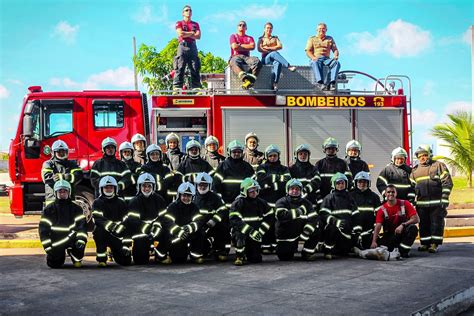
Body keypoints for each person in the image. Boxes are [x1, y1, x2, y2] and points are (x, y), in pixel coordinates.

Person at [410, 145, 453, 253]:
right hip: (421, 204)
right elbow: (411, 188)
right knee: (423, 224)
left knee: (436, 223)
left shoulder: (439, 166)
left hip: (437, 203)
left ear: (430, 155)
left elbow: (447, 182)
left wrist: (444, 198)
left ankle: (434, 244)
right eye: (420, 156)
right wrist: (411, 202)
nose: (422, 158)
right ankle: (425, 244)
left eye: (425, 155)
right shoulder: (415, 171)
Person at [38, 180, 87, 268]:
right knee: (54, 264)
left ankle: (75, 256)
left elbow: (82, 226)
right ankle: (56, 256)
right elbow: (43, 230)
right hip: (57, 241)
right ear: (55, 193)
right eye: (60, 191)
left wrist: (81, 240)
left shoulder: (76, 208)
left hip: (72, 238)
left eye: (65, 191)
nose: (62, 193)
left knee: (79, 251)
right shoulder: (49, 210)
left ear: (69, 192)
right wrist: (48, 247)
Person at [124, 173, 169, 264]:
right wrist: (148, 229)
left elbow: (163, 217)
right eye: (144, 186)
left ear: (153, 187)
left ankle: (160, 255)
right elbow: (133, 222)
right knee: (140, 261)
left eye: (149, 186)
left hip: (156, 230)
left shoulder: (159, 200)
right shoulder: (134, 201)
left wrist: (156, 227)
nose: (147, 188)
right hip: (141, 233)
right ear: (139, 187)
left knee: (169, 233)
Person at [157, 182, 206, 264]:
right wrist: (178, 231)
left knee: (200, 232)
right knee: (179, 259)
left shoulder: (194, 207)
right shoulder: (173, 206)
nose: (186, 198)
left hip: (187, 233)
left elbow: (199, 220)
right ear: (179, 195)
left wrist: (189, 228)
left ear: (192, 196)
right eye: (184, 195)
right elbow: (167, 222)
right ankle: (161, 256)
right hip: (175, 234)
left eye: (188, 196)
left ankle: (195, 256)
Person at [229, 178, 274, 266]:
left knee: (255, 259)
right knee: (240, 236)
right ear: (244, 191)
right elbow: (234, 219)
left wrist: (261, 231)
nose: (254, 193)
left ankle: (249, 252)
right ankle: (239, 256)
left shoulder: (261, 202)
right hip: (242, 231)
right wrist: (250, 231)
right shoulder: (238, 202)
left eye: (256, 190)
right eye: (251, 190)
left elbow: (270, 215)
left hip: (256, 232)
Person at [256, 144, 291, 253]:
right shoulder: (261, 167)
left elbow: (286, 181)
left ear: (278, 156)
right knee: (266, 223)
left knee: (278, 224)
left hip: (279, 201)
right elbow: (261, 179)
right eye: (270, 156)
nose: (272, 158)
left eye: (274, 156)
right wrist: (278, 180)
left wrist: (271, 185)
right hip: (265, 201)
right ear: (267, 156)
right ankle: (266, 246)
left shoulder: (284, 168)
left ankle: (275, 245)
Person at [275, 179, 321, 261]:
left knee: (316, 228)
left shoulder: (306, 203)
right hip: (287, 234)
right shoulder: (281, 201)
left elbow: (314, 218)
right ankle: (290, 248)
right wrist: (299, 211)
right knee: (285, 257)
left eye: (297, 189)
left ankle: (307, 253)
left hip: (302, 232)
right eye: (292, 189)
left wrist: (307, 231)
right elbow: (281, 216)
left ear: (301, 191)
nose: (294, 191)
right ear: (287, 190)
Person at [91, 176, 132, 267]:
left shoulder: (121, 202)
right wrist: (111, 226)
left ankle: (114, 252)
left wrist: (126, 245)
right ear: (101, 189)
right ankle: (102, 259)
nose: (109, 189)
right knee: (98, 231)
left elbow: (127, 220)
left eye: (111, 187)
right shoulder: (97, 202)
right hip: (104, 234)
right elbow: (97, 218)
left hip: (118, 234)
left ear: (115, 188)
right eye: (106, 187)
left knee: (125, 262)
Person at [371, 184, 419, 258]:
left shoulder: (405, 203)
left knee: (413, 228)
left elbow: (416, 219)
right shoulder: (382, 209)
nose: (391, 194)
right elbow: (378, 226)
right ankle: (394, 249)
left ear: (396, 193)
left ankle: (403, 251)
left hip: (403, 233)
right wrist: (374, 241)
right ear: (385, 194)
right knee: (379, 247)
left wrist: (403, 225)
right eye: (389, 192)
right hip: (391, 236)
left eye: (393, 192)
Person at [319, 173, 361, 259]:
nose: (341, 185)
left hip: (347, 233)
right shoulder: (329, 198)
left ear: (346, 184)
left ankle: (345, 248)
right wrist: (336, 222)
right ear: (334, 184)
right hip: (334, 232)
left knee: (344, 251)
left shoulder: (350, 198)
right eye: (338, 183)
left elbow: (356, 216)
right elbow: (324, 214)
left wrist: (357, 233)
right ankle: (327, 251)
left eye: (342, 183)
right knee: (331, 228)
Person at [194, 172, 230, 261]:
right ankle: (202, 250)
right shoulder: (192, 197)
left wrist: (214, 220)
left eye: (205, 185)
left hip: (213, 224)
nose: (202, 187)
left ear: (209, 186)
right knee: (199, 240)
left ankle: (221, 251)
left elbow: (223, 211)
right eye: (200, 185)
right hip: (198, 225)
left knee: (223, 228)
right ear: (196, 185)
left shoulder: (215, 197)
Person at [213, 140, 255, 207]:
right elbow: (216, 184)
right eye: (234, 152)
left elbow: (253, 185)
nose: (237, 154)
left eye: (239, 152)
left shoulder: (247, 167)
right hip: (226, 204)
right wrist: (219, 200)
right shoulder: (223, 166)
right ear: (229, 152)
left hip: (243, 204)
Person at [41, 140, 83, 205]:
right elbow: (46, 178)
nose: (62, 154)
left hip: (69, 198)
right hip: (52, 200)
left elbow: (79, 175)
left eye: (64, 152)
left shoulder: (72, 163)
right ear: (53, 153)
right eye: (59, 152)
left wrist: (69, 177)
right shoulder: (48, 163)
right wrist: (64, 177)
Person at [257, 22, 296, 91]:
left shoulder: (275, 38)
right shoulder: (261, 39)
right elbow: (259, 49)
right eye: (267, 28)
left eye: (270, 28)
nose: (269, 29)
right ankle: (289, 66)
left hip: (274, 59)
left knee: (278, 63)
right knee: (274, 53)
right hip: (265, 59)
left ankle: (275, 83)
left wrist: (268, 48)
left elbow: (280, 46)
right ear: (264, 29)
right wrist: (273, 49)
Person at [172, 5, 202, 95]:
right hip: (182, 46)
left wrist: (187, 34)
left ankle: (196, 88)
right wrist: (192, 33)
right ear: (183, 13)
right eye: (186, 10)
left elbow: (199, 36)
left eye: (190, 10)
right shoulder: (179, 23)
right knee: (180, 67)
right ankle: (177, 88)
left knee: (195, 67)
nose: (188, 11)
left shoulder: (195, 24)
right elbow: (180, 34)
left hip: (192, 46)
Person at [305, 22, 340, 91]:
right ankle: (320, 83)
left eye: (323, 28)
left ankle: (332, 83)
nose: (321, 30)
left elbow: (335, 49)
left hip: (327, 60)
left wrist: (336, 55)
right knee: (314, 62)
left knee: (336, 63)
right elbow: (308, 51)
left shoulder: (330, 39)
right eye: (320, 29)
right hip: (317, 58)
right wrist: (313, 57)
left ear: (326, 30)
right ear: (317, 30)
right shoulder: (312, 39)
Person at [350, 171, 381, 249]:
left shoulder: (374, 197)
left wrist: (375, 229)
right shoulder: (350, 196)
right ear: (356, 182)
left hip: (368, 230)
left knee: (367, 247)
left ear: (368, 183)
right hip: (353, 230)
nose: (362, 184)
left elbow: (379, 215)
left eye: (364, 182)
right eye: (360, 181)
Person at [229, 20, 262, 90]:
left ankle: (250, 80)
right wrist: (246, 46)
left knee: (257, 61)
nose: (242, 26)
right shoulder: (233, 36)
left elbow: (252, 47)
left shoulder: (250, 38)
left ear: (246, 28)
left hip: (247, 57)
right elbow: (234, 47)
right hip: (236, 56)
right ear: (237, 27)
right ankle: (245, 78)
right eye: (240, 25)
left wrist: (240, 46)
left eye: (244, 25)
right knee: (233, 61)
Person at [289, 144, 322, 209]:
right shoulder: (291, 169)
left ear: (308, 156)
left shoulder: (313, 169)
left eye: (305, 154)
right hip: (296, 201)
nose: (303, 156)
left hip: (311, 200)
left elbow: (317, 180)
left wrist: (305, 190)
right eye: (300, 154)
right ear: (296, 155)